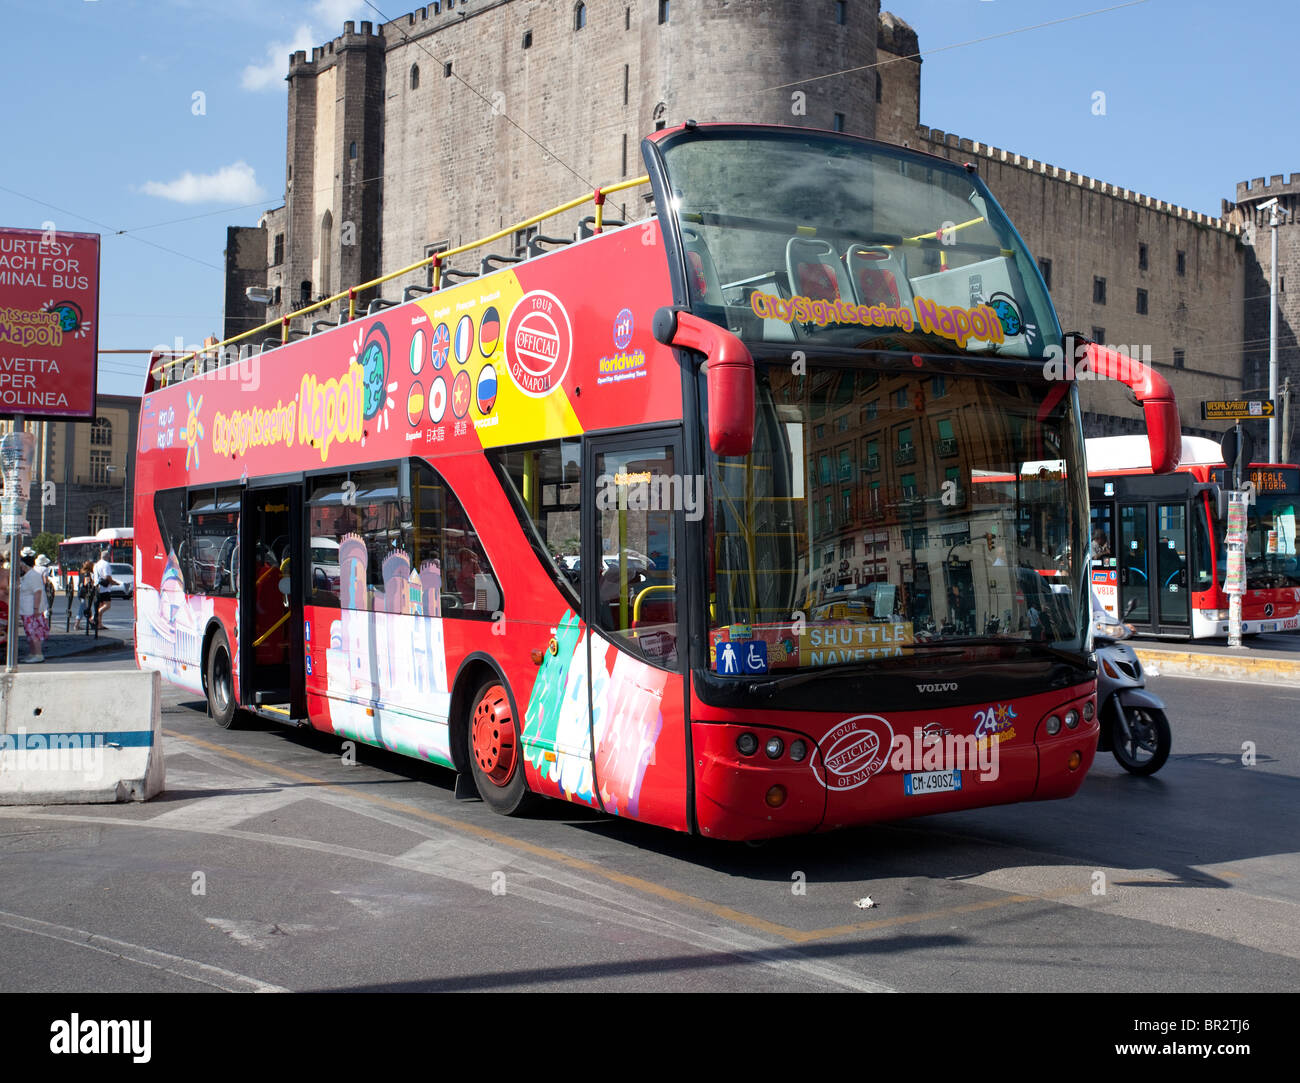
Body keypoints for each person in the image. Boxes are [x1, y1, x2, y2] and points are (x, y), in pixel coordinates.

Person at [18, 551, 49, 663]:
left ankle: (38, 654)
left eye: (20, 564)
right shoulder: (27, 575)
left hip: (30, 609)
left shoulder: (33, 575)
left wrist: (36, 609)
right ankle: (33, 653)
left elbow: (38, 592)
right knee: (29, 632)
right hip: (26, 609)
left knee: (33, 632)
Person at [93, 548, 117, 630]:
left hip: (97, 587)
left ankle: (99, 624)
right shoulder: (106, 564)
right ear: (107, 557)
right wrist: (114, 582)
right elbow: (107, 576)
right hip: (104, 588)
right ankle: (94, 617)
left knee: (100, 605)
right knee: (107, 605)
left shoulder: (96, 564)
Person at [75, 560, 95, 630]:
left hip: (80, 591)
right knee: (82, 608)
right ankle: (76, 625)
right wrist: (93, 583)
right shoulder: (87, 573)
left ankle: (91, 622)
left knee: (87, 608)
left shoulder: (81, 572)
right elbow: (87, 583)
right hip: (85, 593)